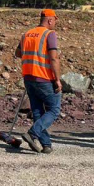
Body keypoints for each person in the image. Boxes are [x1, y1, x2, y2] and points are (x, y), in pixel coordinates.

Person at [14, 9, 62, 154]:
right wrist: (58, 80)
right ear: (49, 20)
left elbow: (17, 53)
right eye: (55, 20)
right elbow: (54, 58)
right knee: (54, 110)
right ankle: (32, 133)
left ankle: (46, 144)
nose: (55, 23)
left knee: (37, 111)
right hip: (44, 78)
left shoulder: (27, 34)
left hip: (28, 78)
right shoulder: (49, 34)